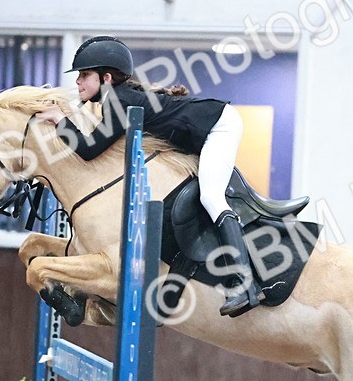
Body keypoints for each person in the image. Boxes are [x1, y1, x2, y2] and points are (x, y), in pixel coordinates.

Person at [34, 36, 261, 318]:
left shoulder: (117, 101)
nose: (78, 82)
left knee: (211, 197)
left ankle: (244, 283)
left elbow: (90, 149)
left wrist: (59, 119)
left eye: (84, 75)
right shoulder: (116, 98)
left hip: (220, 126)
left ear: (105, 78)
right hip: (207, 127)